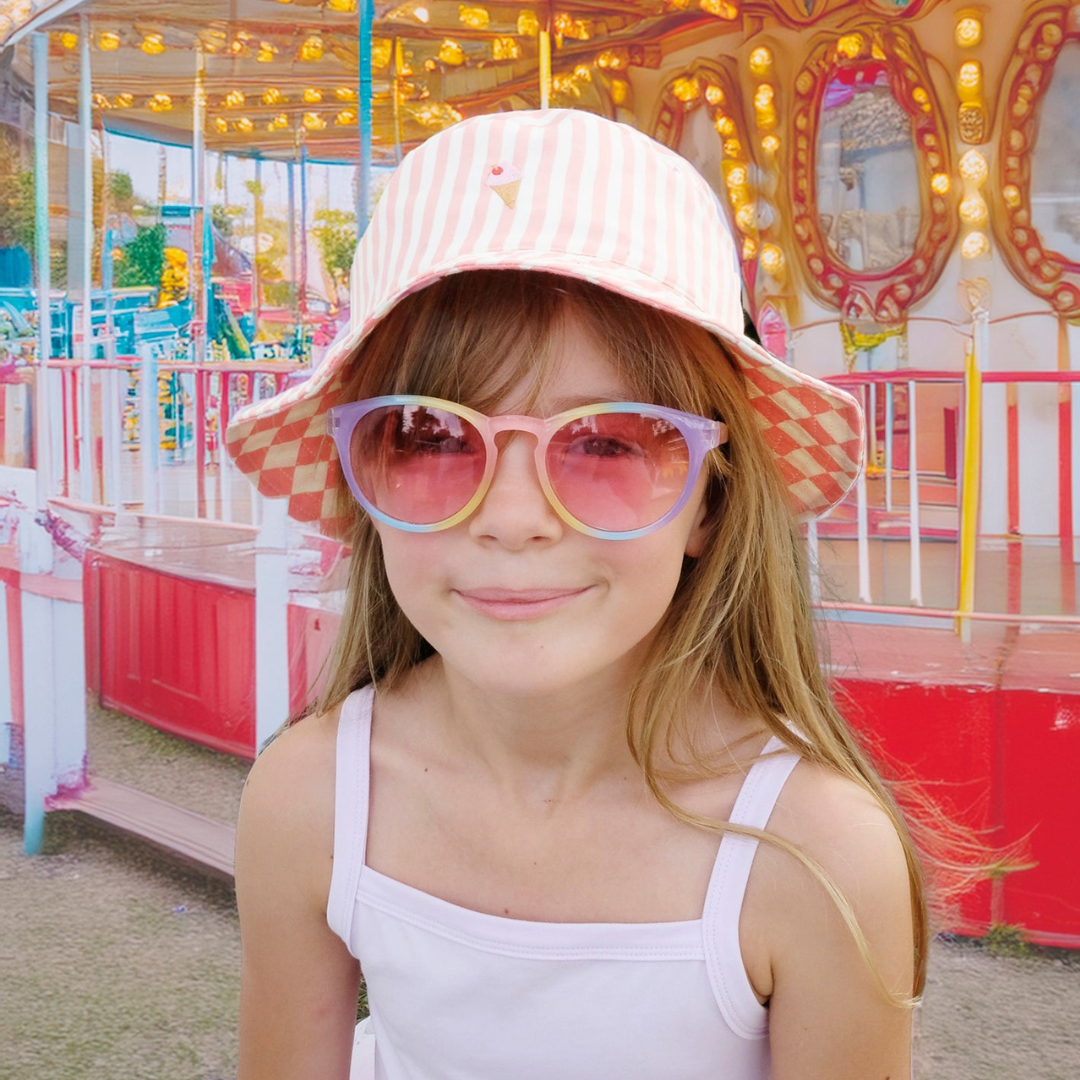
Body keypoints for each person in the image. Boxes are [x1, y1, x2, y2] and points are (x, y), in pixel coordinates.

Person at [228, 109, 919, 1080]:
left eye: (608, 442)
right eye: (430, 436)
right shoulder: (311, 800)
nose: (514, 518)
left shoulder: (816, 856)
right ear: (361, 485)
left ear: (710, 508)